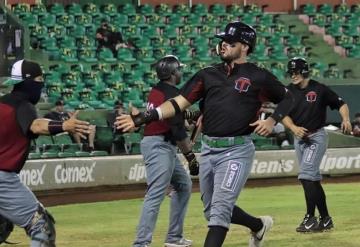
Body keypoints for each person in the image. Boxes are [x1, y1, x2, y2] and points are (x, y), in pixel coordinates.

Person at [116, 21, 294, 247]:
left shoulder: (259, 76)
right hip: (209, 150)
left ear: (245, 47)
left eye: (230, 42)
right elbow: (178, 103)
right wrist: (143, 117)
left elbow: (289, 98)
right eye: (222, 41)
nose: (223, 46)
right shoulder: (207, 75)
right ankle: (258, 225)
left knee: (219, 211)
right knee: (212, 211)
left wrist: (272, 120)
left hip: (237, 150)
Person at [0, 59, 90, 246]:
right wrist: (64, 125)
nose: (41, 84)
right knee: (42, 227)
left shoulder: (3, 103)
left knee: (3, 223)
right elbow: (36, 125)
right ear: (28, 82)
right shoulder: (22, 105)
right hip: (2, 179)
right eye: (39, 79)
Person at [131, 55, 198, 247]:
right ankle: (141, 243)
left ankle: (174, 238)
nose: (181, 72)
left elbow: (171, 118)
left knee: (183, 185)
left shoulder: (158, 89)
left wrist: (188, 115)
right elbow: (177, 130)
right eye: (178, 69)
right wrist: (191, 157)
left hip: (161, 144)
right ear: (171, 72)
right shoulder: (173, 94)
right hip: (159, 145)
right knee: (156, 193)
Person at [282, 57, 352, 233]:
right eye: (291, 72)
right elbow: (282, 114)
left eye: (296, 72)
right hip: (299, 139)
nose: (293, 75)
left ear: (304, 71)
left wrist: (346, 119)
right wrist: (293, 127)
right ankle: (326, 219)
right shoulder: (288, 91)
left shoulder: (319, 89)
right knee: (311, 180)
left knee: (306, 176)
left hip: (316, 137)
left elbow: (341, 103)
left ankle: (310, 217)